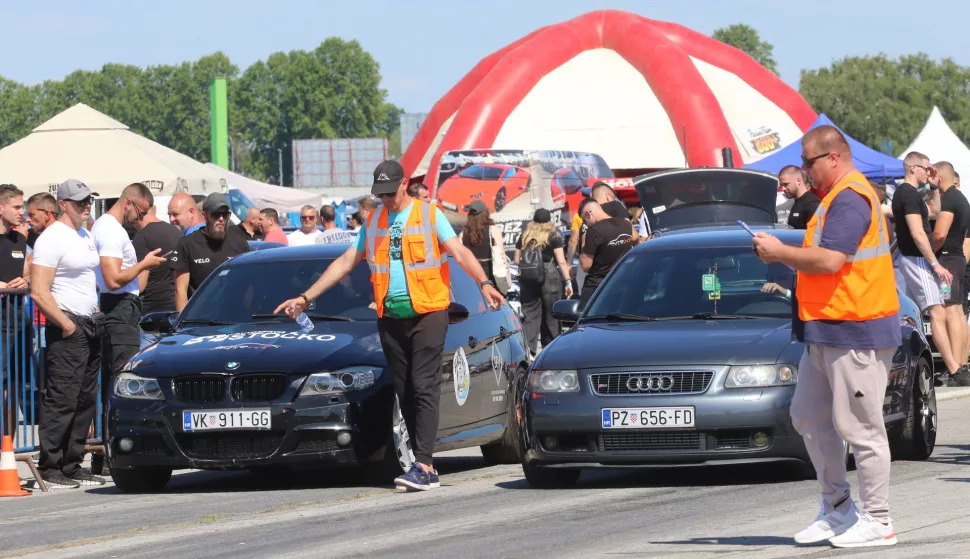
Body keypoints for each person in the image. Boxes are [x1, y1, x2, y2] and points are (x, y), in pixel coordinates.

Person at [275, 160, 504, 492]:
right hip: (390, 317)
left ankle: (424, 465)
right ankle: (420, 463)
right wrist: (305, 297)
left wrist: (484, 283)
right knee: (405, 389)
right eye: (379, 194)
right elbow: (345, 261)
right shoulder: (375, 220)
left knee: (424, 384)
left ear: (404, 184)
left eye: (389, 192)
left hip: (428, 313)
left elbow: (459, 251)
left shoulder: (428, 214)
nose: (385, 199)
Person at [753, 126, 900, 547]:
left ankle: (878, 519)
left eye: (808, 163)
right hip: (827, 328)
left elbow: (832, 259)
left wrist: (780, 253)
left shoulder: (851, 197)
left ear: (832, 158)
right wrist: (782, 249)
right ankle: (838, 509)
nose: (804, 171)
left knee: (862, 428)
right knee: (810, 417)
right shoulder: (835, 199)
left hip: (856, 329)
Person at [30, 179, 105, 488]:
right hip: (69, 326)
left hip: (90, 323)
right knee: (62, 398)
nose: (86, 206)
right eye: (80, 202)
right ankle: (51, 465)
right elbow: (38, 291)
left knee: (86, 399)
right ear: (64, 204)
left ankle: (73, 464)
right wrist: (67, 325)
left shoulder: (84, 234)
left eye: (88, 201)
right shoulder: (52, 238)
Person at [91, 184, 167, 473]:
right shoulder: (110, 229)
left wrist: (144, 266)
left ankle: (109, 452)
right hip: (119, 308)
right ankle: (114, 454)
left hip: (125, 307)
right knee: (120, 381)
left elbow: (134, 284)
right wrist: (144, 264)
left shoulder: (115, 229)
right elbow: (112, 279)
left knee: (118, 379)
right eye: (141, 213)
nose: (141, 220)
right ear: (129, 204)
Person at [892, 151, 961, 382]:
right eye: (926, 168)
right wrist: (935, 264)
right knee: (938, 312)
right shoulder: (907, 194)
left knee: (911, 316)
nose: (929, 172)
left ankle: (907, 365)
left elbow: (934, 212)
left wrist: (933, 188)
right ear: (912, 168)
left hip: (914, 258)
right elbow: (918, 232)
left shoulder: (912, 194)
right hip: (916, 259)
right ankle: (953, 368)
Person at [172, 193, 251, 311]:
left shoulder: (240, 243)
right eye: (215, 214)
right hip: (201, 318)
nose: (221, 219)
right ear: (205, 215)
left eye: (225, 215)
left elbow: (249, 285)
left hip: (235, 316)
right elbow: (180, 290)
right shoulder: (187, 244)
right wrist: (181, 324)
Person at [929, 162, 970, 385]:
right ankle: (960, 366)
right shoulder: (960, 198)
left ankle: (957, 369)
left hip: (948, 260)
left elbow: (940, 234)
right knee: (958, 312)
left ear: (940, 177)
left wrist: (929, 253)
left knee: (952, 311)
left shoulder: (951, 200)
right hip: (956, 259)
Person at [514, 208, 572, 356]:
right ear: (549, 220)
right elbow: (561, 261)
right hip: (549, 275)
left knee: (530, 315)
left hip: (528, 276)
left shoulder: (525, 236)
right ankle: (552, 351)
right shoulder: (553, 235)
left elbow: (516, 260)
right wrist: (568, 282)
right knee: (552, 315)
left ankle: (528, 351)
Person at [0, 184, 29, 437]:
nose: (23, 212)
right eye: (17, 207)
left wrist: (26, 281)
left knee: (15, 383)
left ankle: (7, 446)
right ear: (1, 207)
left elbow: (28, 271)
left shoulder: (19, 239)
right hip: (0, 323)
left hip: (19, 320)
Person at [577, 200, 636, 310]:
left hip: (598, 287)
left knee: (584, 323)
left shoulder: (594, 231)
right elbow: (636, 237)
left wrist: (583, 242)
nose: (585, 224)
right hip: (623, 283)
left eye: (584, 220)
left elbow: (585, 266)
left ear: (589, 213)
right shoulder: (626, 224)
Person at [132, 206, 182, 315]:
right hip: (176, 304)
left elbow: (140, 285)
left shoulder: (141, 237)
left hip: (152, 311)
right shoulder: (176, 232)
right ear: (154, 209)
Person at [459, 200, 508, 287]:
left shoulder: (463, 233)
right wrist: (507, 276)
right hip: (490, 274)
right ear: (486, 213)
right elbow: (501, 255)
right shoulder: (493, 230)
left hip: (471, 275)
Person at [779, 165, 821, 229]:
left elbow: (815, 235)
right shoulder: (798, 202)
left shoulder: (812, 204)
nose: (783, 188)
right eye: (781, 185)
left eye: (786, 184)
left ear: (798, 181)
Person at [566, 198, 593, 296]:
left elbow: (573, 241)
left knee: (584, 292)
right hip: (602, 259)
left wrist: (569, 264)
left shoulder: (578, 216)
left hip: (585, 260)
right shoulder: (603, 214)